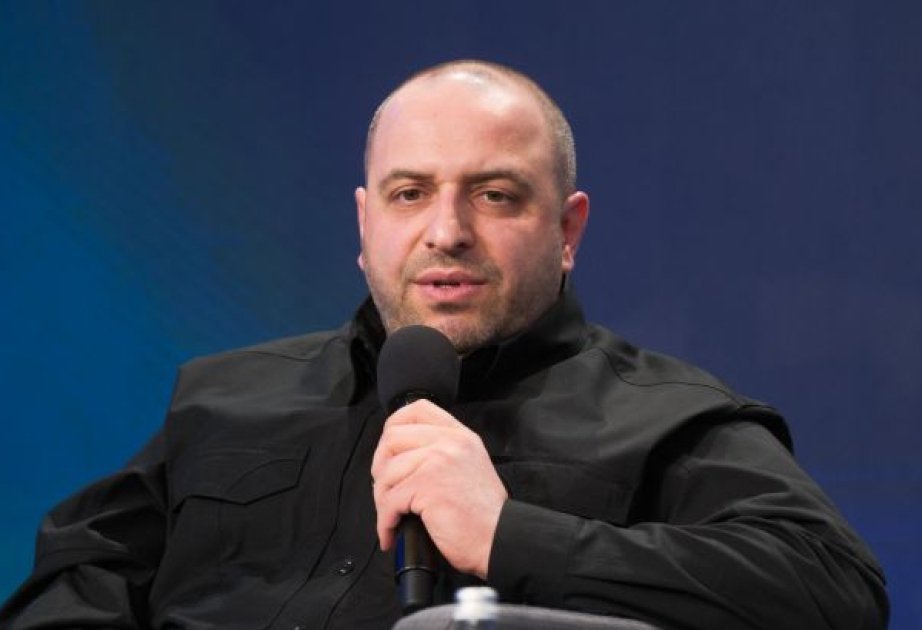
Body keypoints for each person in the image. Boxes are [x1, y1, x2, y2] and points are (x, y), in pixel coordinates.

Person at [0, 60, 888, 630]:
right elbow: (77, 575)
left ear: (568, 230)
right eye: (410, 193)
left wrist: (510, 536)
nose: (447, 231)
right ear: (365, 223)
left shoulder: (666, 417)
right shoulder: (223, 395)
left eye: (496, 195)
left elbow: (834, 591)